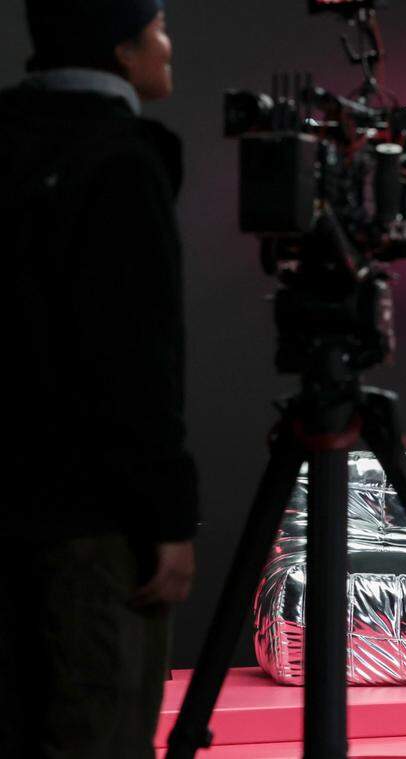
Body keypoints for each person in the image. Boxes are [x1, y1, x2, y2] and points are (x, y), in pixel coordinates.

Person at [0, 1, 197, 756]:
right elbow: (135, 358)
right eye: (160, 26)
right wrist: (169, 517)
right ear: (122, 48)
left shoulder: (10, 140)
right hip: (93, 522)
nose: (168, 45)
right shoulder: (120, 159)